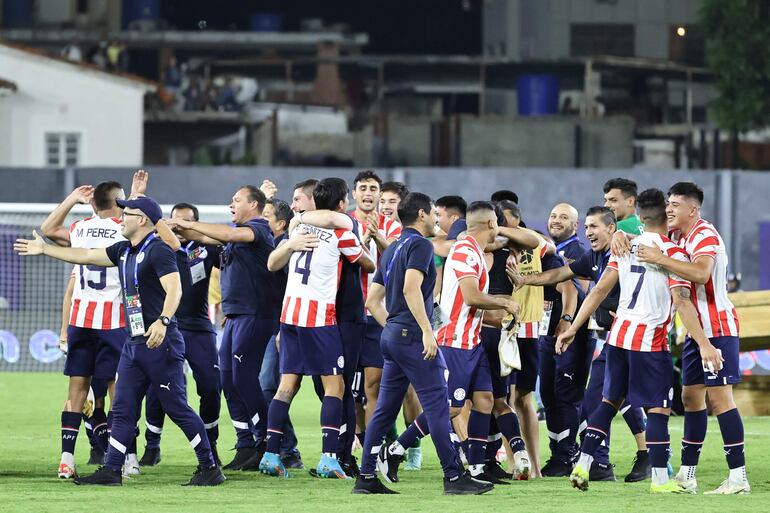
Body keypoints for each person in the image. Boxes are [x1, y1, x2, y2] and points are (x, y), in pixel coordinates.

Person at [15, 196, 224, 486]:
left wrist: (163, 321)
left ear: (142, 220)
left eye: (127, 213)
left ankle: (209, 466)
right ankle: (112, 470)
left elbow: (174, 289)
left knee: (176, 407)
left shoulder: (158, 251)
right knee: (124, 409)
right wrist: (45, 249)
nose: (121, 217)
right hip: (133, 343)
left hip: (160, 342)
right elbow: (86, 256)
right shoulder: (124, 250)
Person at [558, 188, 722, 494]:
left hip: (618, 337)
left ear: (641, 217)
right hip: (649, 341)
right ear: (665, 215)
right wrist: (704, 343)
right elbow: (683, 302)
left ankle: (583, 463)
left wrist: (572, 328)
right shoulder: (673, 254)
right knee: (658, 410)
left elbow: (597, 291)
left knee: (610, 402)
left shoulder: (623, 247)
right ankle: (660, 480)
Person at [352, 193, 492, 495]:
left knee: (385, 410)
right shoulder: (419, 245)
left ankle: (365, 478)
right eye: (432, 213)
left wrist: (393, 326)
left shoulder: (392, 249)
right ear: (420, 214)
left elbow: (372, 300)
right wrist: (426, 331)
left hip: (392, 337)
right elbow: (411, 287)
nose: (436, 220)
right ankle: (454, 478)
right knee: (439, 406)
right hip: (413, 338)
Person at [379, 201, 526, 486]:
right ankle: (395, 450)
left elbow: (468, 305)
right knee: (450, 409)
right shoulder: (464, 251)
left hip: (473, 341)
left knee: (485, 401)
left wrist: (498, 320)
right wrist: (505, 302)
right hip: (454, 341)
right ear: (491, 224)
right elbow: (471, 296)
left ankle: (478, 467)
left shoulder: (475, 253)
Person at [623, 182, 749, 495]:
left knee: (720, 399)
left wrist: (660, 258)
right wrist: (619, 233)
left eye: (676, 205)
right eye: (668, 204)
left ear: (693, 210)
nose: (669, 209)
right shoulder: (678, 235)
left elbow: (702, 274)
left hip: (716, 328)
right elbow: (640, 224)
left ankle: (738, 477)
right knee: (691, 398)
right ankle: (687, 475)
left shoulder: (705, 234)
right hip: (695, 330)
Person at [259, 178, 370, 479]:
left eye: (298, 200)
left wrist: (295, 233)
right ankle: (330, 458)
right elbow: (369, 265)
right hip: (320, 318)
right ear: (341, 202)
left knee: (286, 386)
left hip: (290, 316)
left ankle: (271, 455)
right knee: (336, 387)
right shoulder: (341, 232)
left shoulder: (296, 228)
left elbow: (272, 263)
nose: (294, 205)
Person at [169, 185, 281, 471]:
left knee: (244, 377)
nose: (231, 204)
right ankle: (245, 444)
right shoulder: (235, 236)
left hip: (255, 314)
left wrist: (187, 222)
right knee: (228, 381)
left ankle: (268, 443)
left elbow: (227, 234)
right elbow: (202, 235)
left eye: (236, 200)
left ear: (254, 205)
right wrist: (170, 226)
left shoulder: (257, 228)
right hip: (234, 315)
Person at [139, 203, 223, 468]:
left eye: (187, 221)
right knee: (158, 388)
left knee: (211, 386)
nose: (180, 226)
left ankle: (211, 444)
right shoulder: (157, 249)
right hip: (167, 325)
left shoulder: (208, 249)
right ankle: (152, 446)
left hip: (199, 326)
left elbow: (230, 245)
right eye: (175, 221)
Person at [515, 203, 586, 476]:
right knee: (550, 395)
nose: (556, 221)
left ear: (574, 225)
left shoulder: (577, 252)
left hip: (571, 335)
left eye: (564, 217)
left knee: (569, 396)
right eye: (553, 215)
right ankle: (560, 455)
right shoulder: (546, 251)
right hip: (547, 333)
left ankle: (575, 454)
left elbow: (582, 291)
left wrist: (567, 321)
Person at [349, 171, 402, 443]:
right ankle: (355, 438)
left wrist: (375, 235)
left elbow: (395, 254)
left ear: (379, 194)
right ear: (354, 192)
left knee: (373, 385)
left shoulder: (391, 226)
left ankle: (374, 445)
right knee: (345, 387)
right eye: (363, 188)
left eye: (373, 188)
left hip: (377, 314)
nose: (368, 193)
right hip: (346, 314)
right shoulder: (343, 222)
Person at [258, 198, 304, 469]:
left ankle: (341, 454)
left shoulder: (293, 246)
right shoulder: (278, 245)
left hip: (294, 325)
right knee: (268, 385)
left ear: (281, 223)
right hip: (278, 326)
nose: (262, 222)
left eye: (267, 217)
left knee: (331, 390)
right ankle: (283, 448)